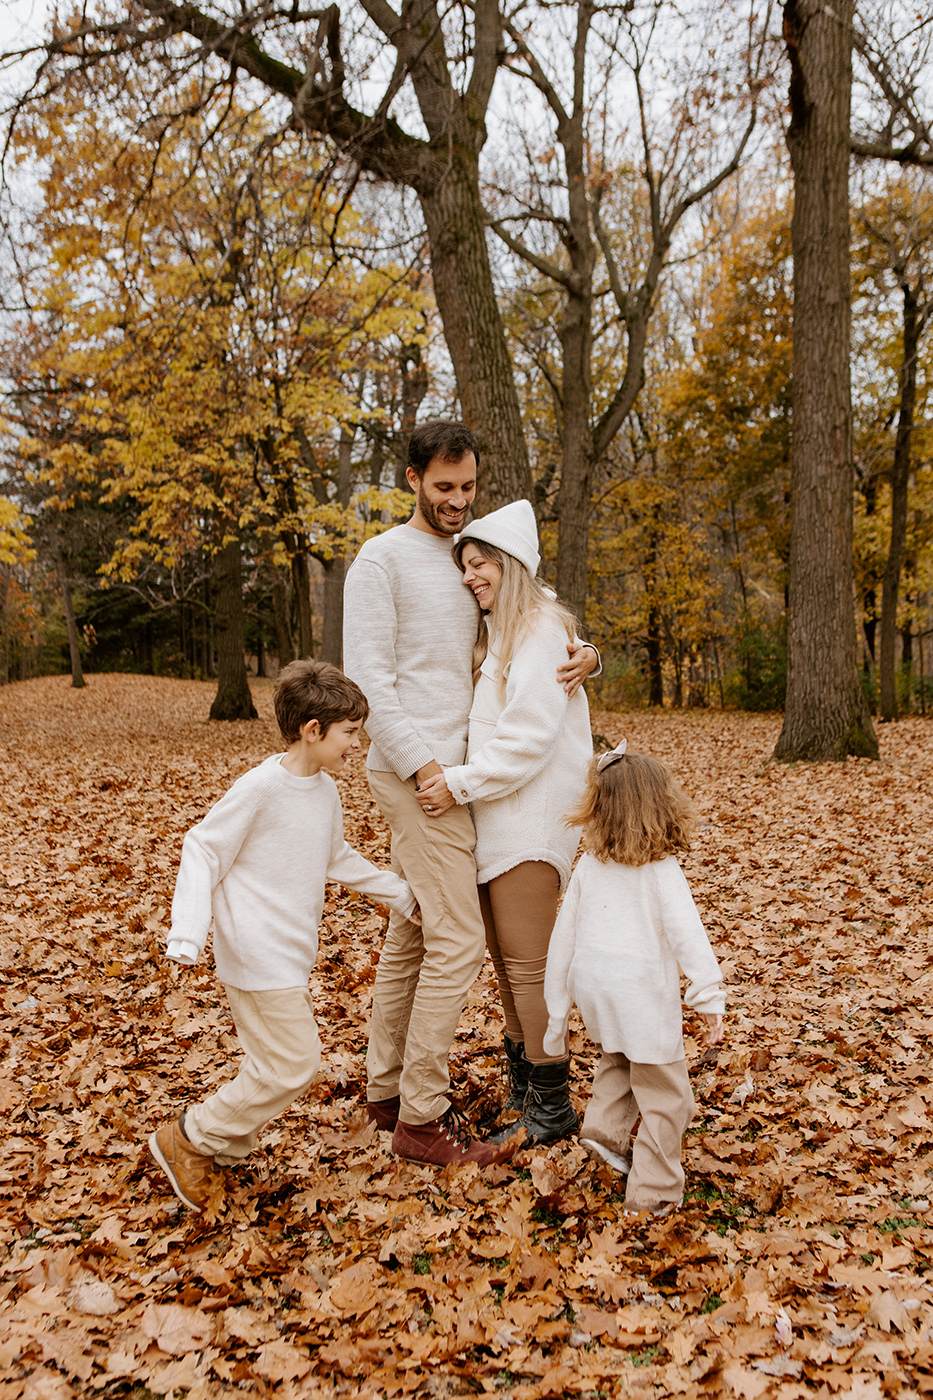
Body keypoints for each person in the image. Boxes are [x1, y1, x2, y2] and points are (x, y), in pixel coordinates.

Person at [342, 419, 598, 1167]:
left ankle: (388, 1093)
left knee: (416, 932)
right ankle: (421, 1121)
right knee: (456, 939)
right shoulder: (378, 561)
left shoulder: (474, 553)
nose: (456, 501)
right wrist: (426, 769)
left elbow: (539, 616)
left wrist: (588, 654)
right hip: (422, 778)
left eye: (467, 488)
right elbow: (371, 682)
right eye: (443, 487)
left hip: (464, 780)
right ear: (412, 480)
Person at [148, 660, 420, 1211]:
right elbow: (202, 847)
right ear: (311, 730)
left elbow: (335, 856)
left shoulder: (323, 791)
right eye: (349, 732)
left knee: (268, 1061)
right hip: (256, 949)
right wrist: (188, 930)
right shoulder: (261, 788)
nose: (356, 743)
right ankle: (190, 1137)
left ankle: (222, 1143)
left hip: (290, 951)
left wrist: (399, 892)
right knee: (295, 1064)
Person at [415, 499, 592, 1147]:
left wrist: (452, 784)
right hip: (496, 818)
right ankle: (524, 1091)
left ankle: (551, 1106)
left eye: (479, 562)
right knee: (508, 963)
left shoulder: (540, 628)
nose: (468, 576)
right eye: (463, 565)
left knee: (528, 967)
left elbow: (526, 741)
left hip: (529, 820)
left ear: (509, 564)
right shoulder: (505, 633)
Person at [542, 741, 725, 1217]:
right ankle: (653, 1190)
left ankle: (604, 1131)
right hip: (640, 992)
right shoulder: (662, 871)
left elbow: (563, 938)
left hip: (596, 988)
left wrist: (558, 1010)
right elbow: (690, 937)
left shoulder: (588, 865)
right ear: (659, 809)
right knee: (668, 1095)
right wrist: (708, 996)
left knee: (618, 1058)